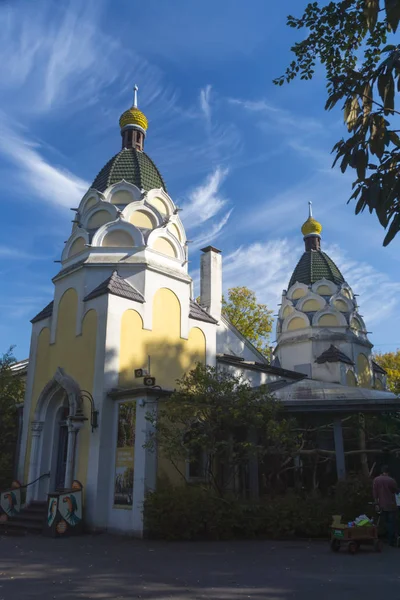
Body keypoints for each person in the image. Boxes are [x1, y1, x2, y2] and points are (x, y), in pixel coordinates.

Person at [373, 465, 399, 546]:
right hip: (391, 505)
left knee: (383, 522)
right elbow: (396, 490)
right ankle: (391, 540)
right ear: (389, 472)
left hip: (381, 505)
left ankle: (382, 538)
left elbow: (374, 493)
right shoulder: (391, 480)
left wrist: (376, 503)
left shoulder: (376, 480)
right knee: (391, 522)